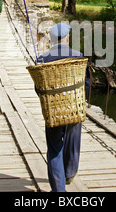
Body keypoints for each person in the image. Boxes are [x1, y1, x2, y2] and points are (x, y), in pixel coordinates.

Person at [37, 22, 90, 192]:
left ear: (51, 40)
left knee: (54, 147)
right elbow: (86, 83)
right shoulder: (79, 56)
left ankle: (59, 191)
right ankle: (70, 171)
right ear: (67, 38)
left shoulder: (43, 59)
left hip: (53, 111)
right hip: (74, 106)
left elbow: (39, 88)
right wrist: (83, 100)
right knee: (73, 140)